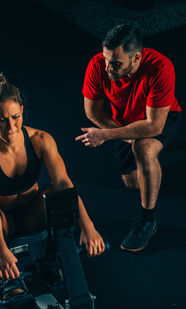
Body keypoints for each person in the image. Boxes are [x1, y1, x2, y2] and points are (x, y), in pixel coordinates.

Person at [0, 72, 105, 302]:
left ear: (21, 110)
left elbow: (64, 184)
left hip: (33, 214)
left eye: (15, 116)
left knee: (58, 196)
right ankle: (10, 279)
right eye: (1, 119)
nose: (10, 126)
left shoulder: (41, 140)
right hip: (3, 221)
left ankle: (52, 260)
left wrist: (88, 226)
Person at [75, 24, 182, 252]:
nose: (107, 68)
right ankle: (151, 168)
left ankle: (148, 219)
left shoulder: (161, 67)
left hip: (160, 115)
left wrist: (107, 135)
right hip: (123, 122)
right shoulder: (98, 65)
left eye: (115, 64)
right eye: (106, 59)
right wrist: (124, 137)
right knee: (132, 182)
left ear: (136, 59)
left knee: (144, 149)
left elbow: (154, 125)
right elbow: (92, 111)